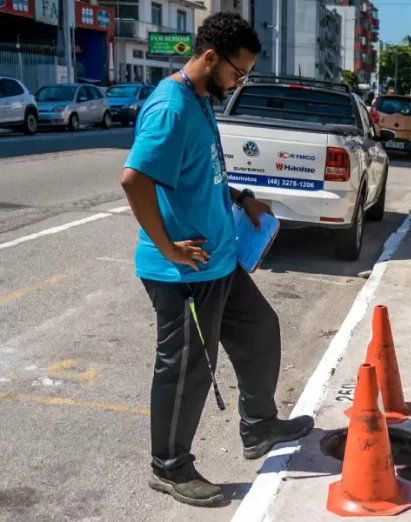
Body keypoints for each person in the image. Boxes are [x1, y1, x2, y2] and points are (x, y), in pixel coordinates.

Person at [119, 12, 314, 507]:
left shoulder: (201, 99)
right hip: (183, 270)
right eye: (239, 71)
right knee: (185, 369)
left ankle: (259, 426)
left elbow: (201, 171)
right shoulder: (170, 108)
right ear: (211, 57)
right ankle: (169, 466)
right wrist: (167, 248)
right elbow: (134, 180)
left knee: (260, 330)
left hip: (220, 262)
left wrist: (244, 196)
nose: (240, 80)